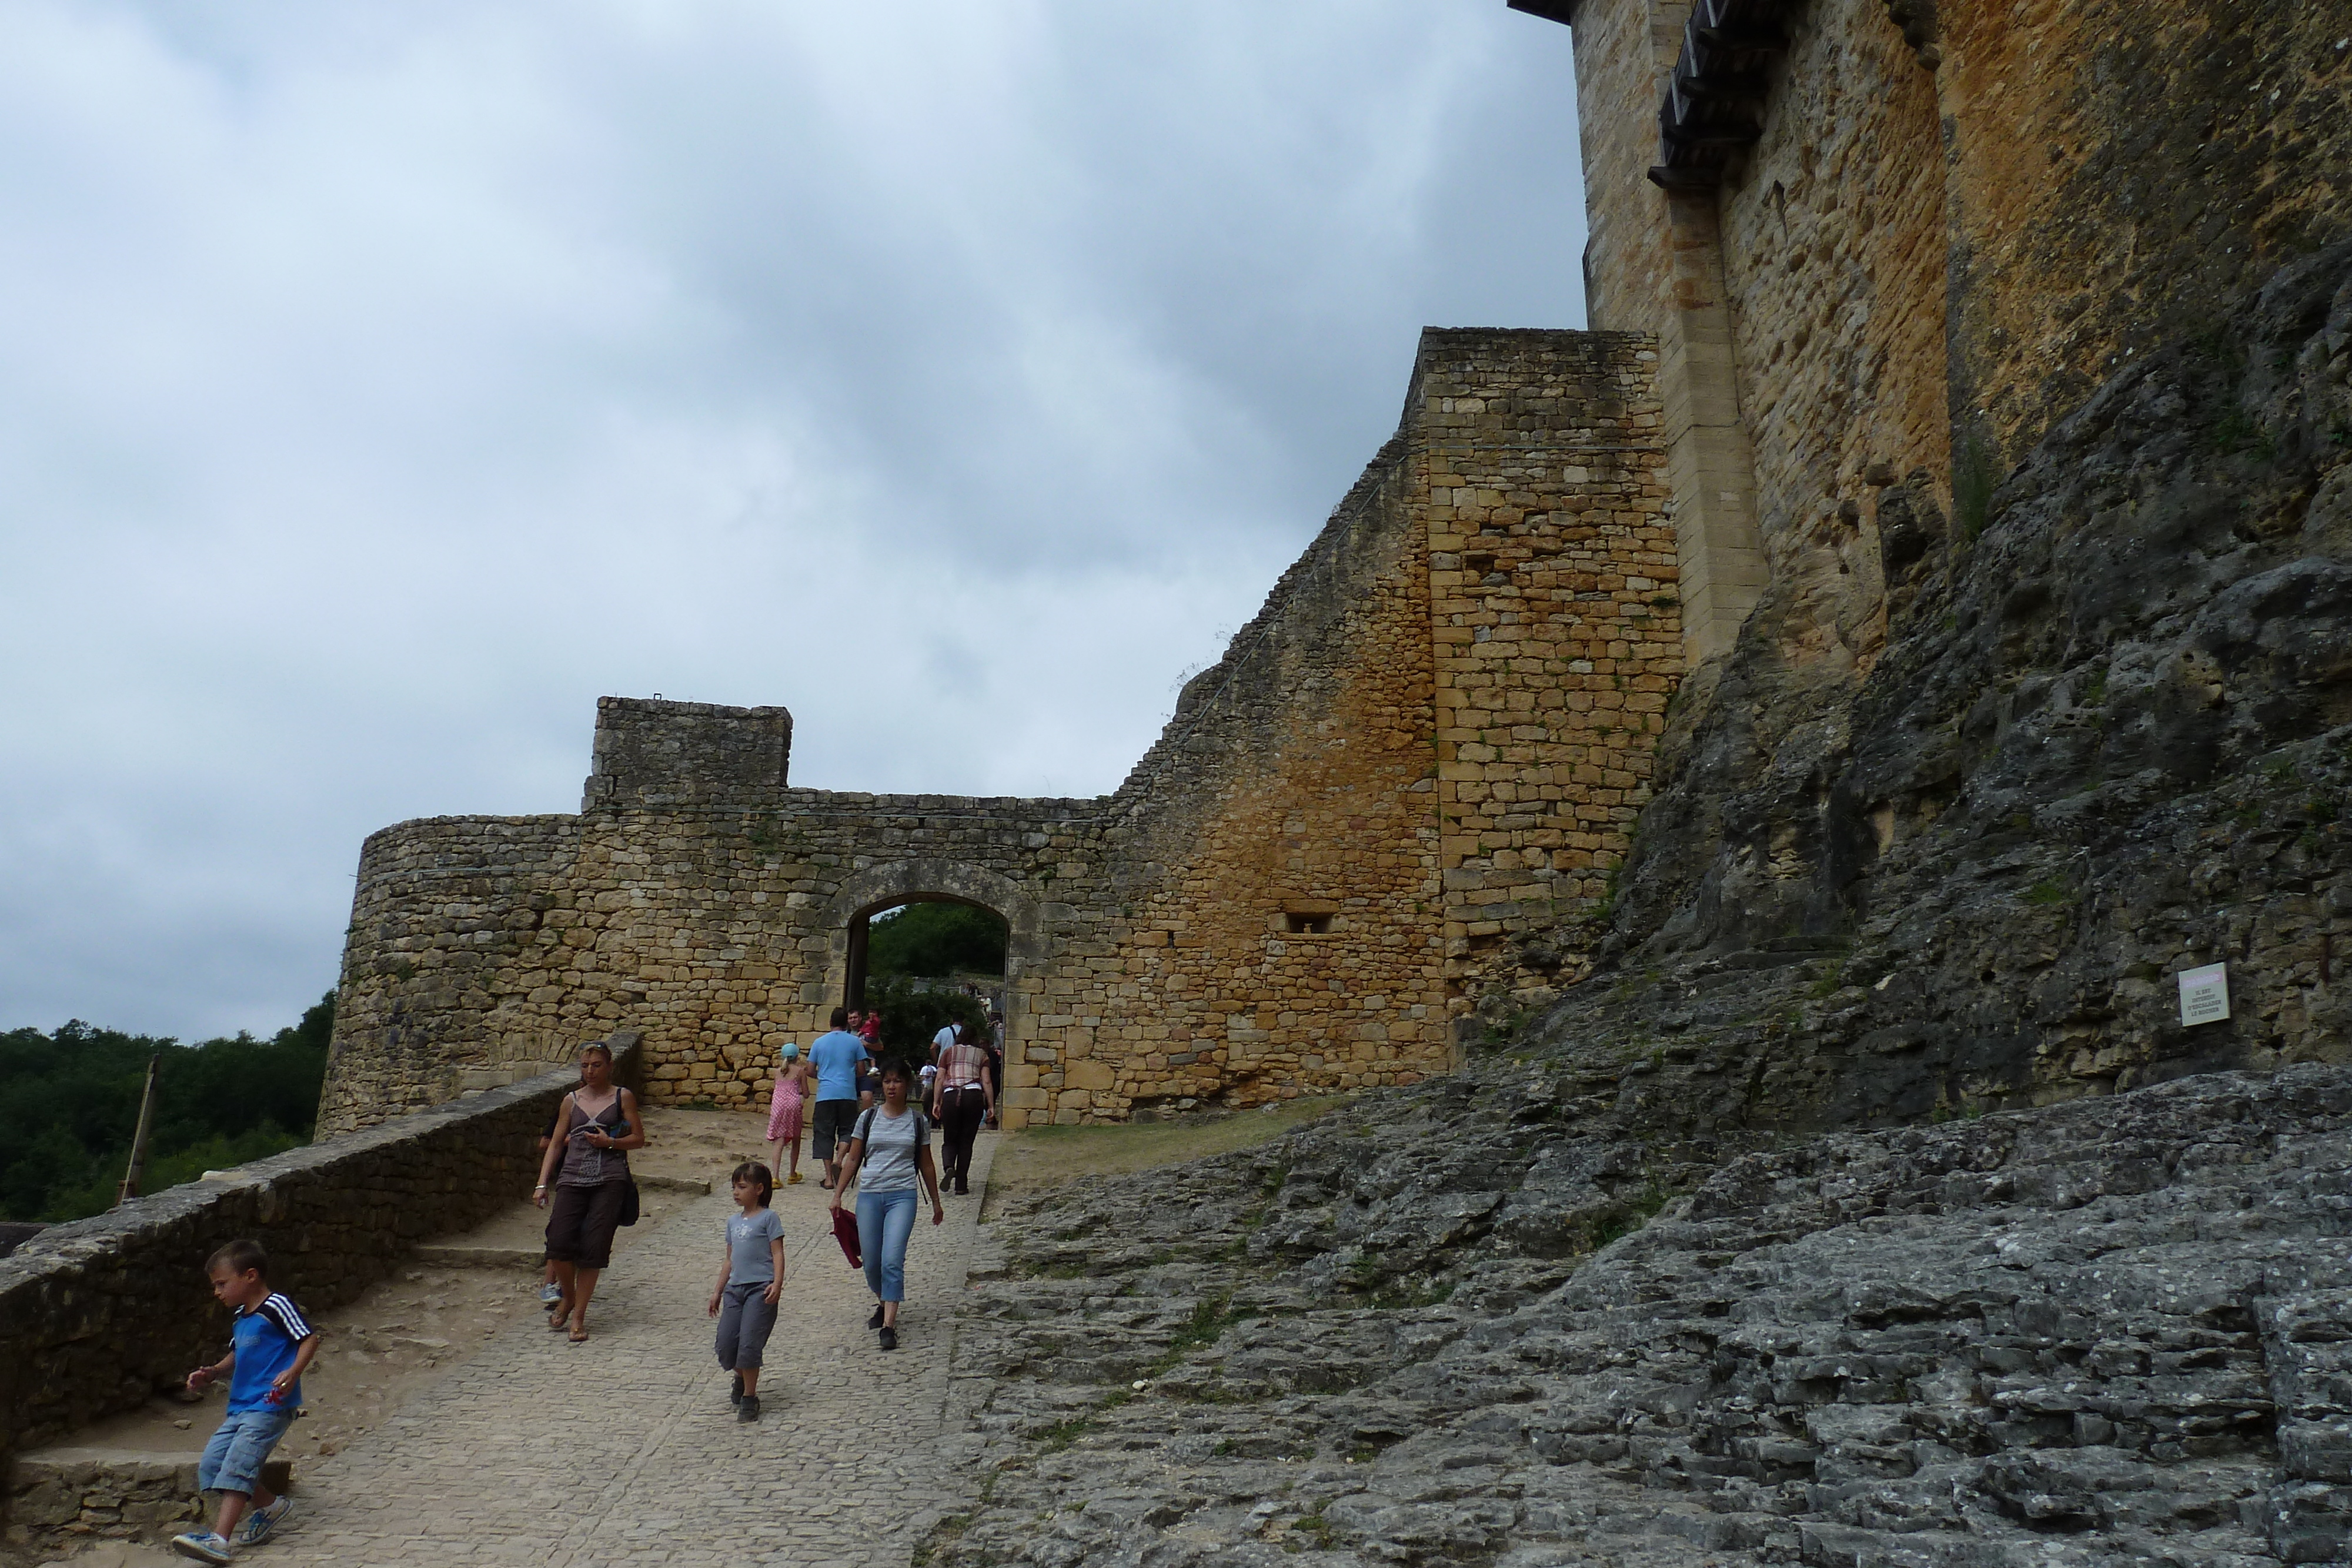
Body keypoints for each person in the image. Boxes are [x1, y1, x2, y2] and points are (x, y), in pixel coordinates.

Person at [169, 1240, 319, 1564]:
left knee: (239, 1464)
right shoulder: (241, 1316)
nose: (217, 1292)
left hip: (270, 1405)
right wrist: (212, 1372)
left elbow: (309, 1337)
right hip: (240, 1406)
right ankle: (269, 1506)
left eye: (222, 1284)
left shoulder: (277, 1305)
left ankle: (220, 1541)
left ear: (250, 1276)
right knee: (212, 1464)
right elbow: (238, 1354)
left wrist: (293, 1373)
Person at [532, 1041, 644, 1342]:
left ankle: (579, 1315)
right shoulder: (570, 1100)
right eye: (585, 1065)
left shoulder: (623, 1097)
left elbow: (638, 1138)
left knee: (594, 1249)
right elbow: (555, 1143)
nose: (590, 1071)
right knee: (558, 1243)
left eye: (596, 1065)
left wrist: (611, 1143)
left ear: (609, 1066)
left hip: (610, 1180)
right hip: (572, 1176)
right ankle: (568, 1297)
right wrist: (543, 1183)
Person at [829, 1061, 943, 1350]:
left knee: (892, 1259)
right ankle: (884, 1299)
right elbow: (853, 1158)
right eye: (888, 1081)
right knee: (872, 1260)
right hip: (870, 1194)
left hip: (902, 1195)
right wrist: (838, 1194)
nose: (892, 1087)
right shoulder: (867, 1119)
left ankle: (889, 1325)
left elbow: (927, 1163)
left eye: (898, 1081)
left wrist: (937, 1203)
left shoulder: (918, 1122)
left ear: (908, 1085)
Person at [707, 1161, 786, 1423]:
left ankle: (750, 1397)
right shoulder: (732, 1222)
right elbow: (729, 1259)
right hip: (735, 1290)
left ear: (759, 1189)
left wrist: (777, 1282)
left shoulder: (769, 1218)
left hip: (760, 1289)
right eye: (734, 1187)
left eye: (742, 1187)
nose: (736, 1192)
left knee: (750, 1344)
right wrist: (718, 1290)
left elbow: (778, 1252)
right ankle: (739, 1375)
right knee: (726, 1344)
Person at [807, 1009, 870, 1191]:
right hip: (847, 1094)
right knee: (848, 1130)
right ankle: (839, 1160)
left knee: (824, 1133)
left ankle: (828, 1178)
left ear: (830, 1023)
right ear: (846, 1024)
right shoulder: (855, 1042)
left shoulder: (819, 1043)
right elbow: (861, 1071)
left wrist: (824, 1075)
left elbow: (810, 1070)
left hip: (826, 1094)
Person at [933, 1023, 994, 1196]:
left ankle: (949, 1167)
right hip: (973, 1096)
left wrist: (936, 1102)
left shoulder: (948, 1053)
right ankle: (961, 1185)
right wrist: (990, 1106)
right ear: (974, 1039)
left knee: (950, 1139)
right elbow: (987, 1081)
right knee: (967, 1142)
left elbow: (939, 1078)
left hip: (952, 1096)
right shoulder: (982, 1055)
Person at [766, 1045, 812, 1185]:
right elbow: (806, 1093)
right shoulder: (800, 1071)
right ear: (797, 1057)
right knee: (796, 1139)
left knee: (778, 1142)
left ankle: (775, 1177)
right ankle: (792, 1174)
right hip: (793, 1106)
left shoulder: (777, 1072)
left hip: (778, 1106)